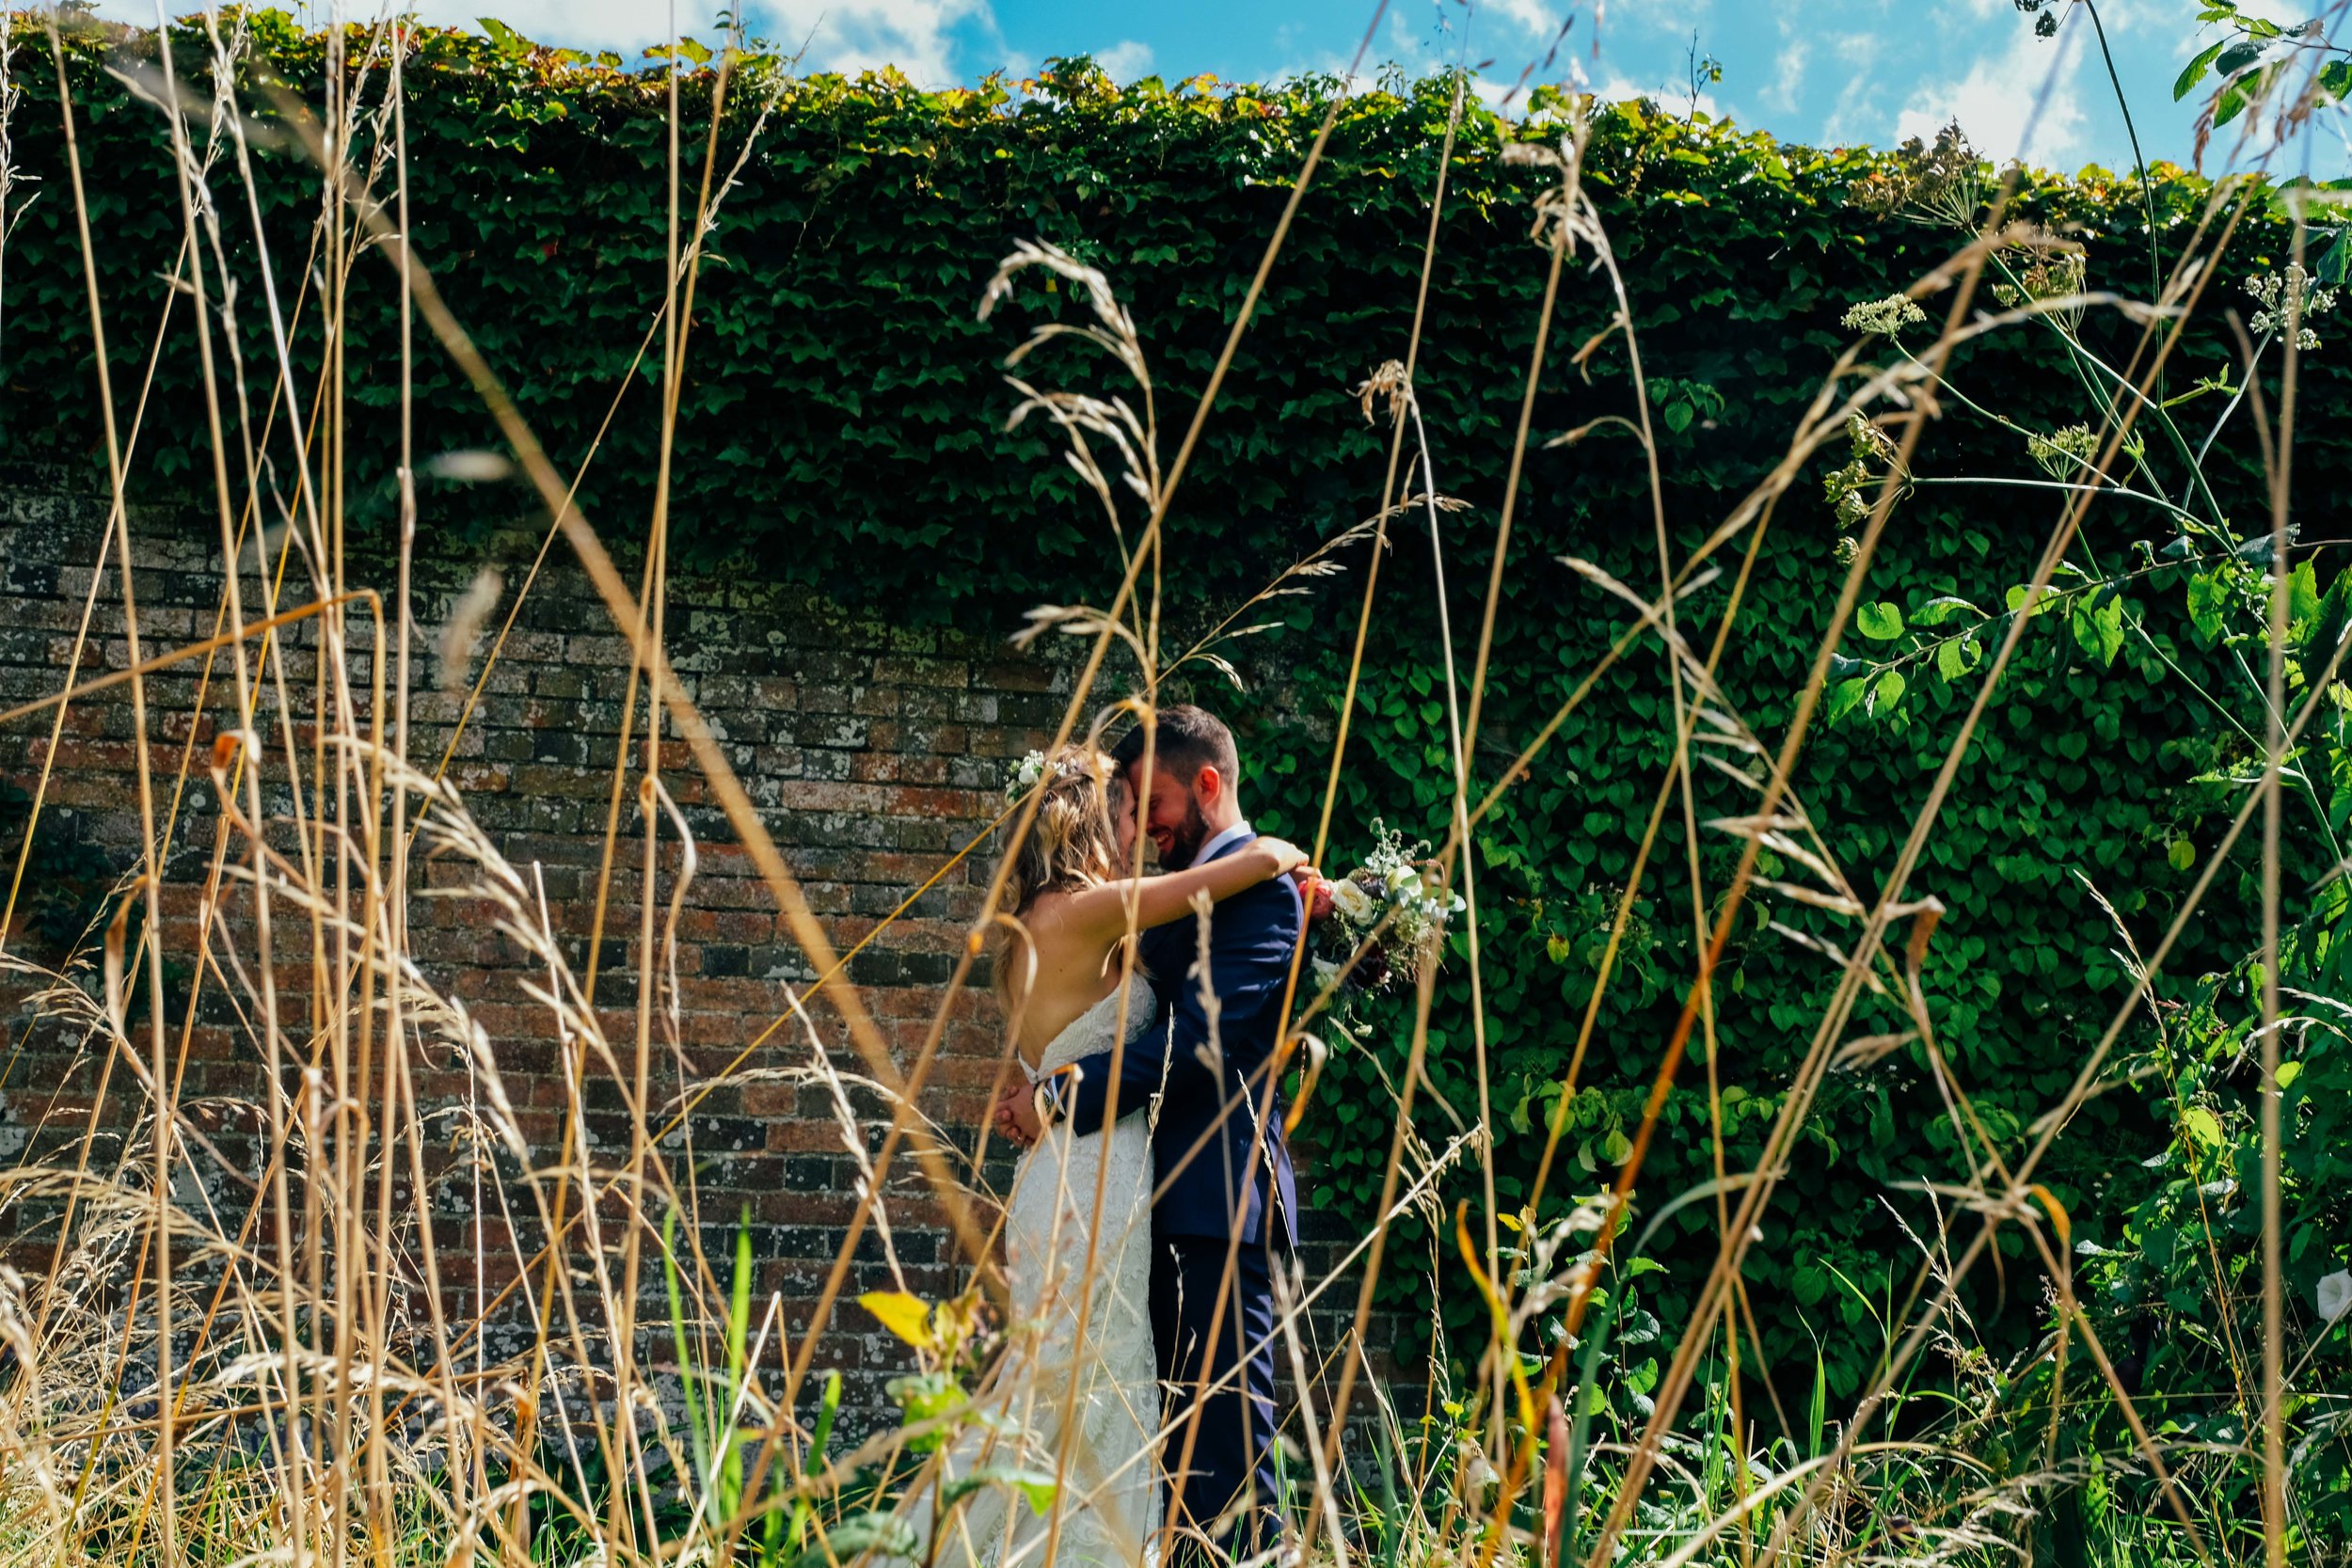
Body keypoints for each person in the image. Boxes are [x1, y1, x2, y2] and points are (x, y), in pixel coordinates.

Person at [922, 741, 1308, 1568]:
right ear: (1093, 818)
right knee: (1078, 1393)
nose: (1139, 824)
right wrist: (1278, 857)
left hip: (1083, 1179)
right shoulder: (1095, 911)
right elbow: (1202, 906)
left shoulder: (1047, 923)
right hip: (1095, 1178)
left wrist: (1049, 1092)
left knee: (1083, 1392)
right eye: (1126, 807)